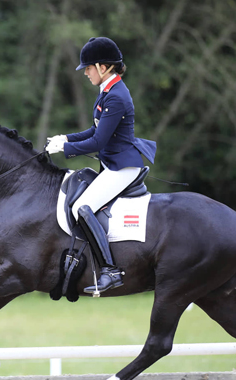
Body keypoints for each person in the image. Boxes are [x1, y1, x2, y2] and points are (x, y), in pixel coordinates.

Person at [46, 37, 157, 294]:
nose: (85, 73)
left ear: (103, 67)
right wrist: (66, 138)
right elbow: (93, 129)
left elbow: (98, 141)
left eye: (88, 68)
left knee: (83, 208)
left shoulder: (117, 96)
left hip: (122, 168)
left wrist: (66, 149)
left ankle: (110, 270)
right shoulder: (107, 91)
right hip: (113, 164)